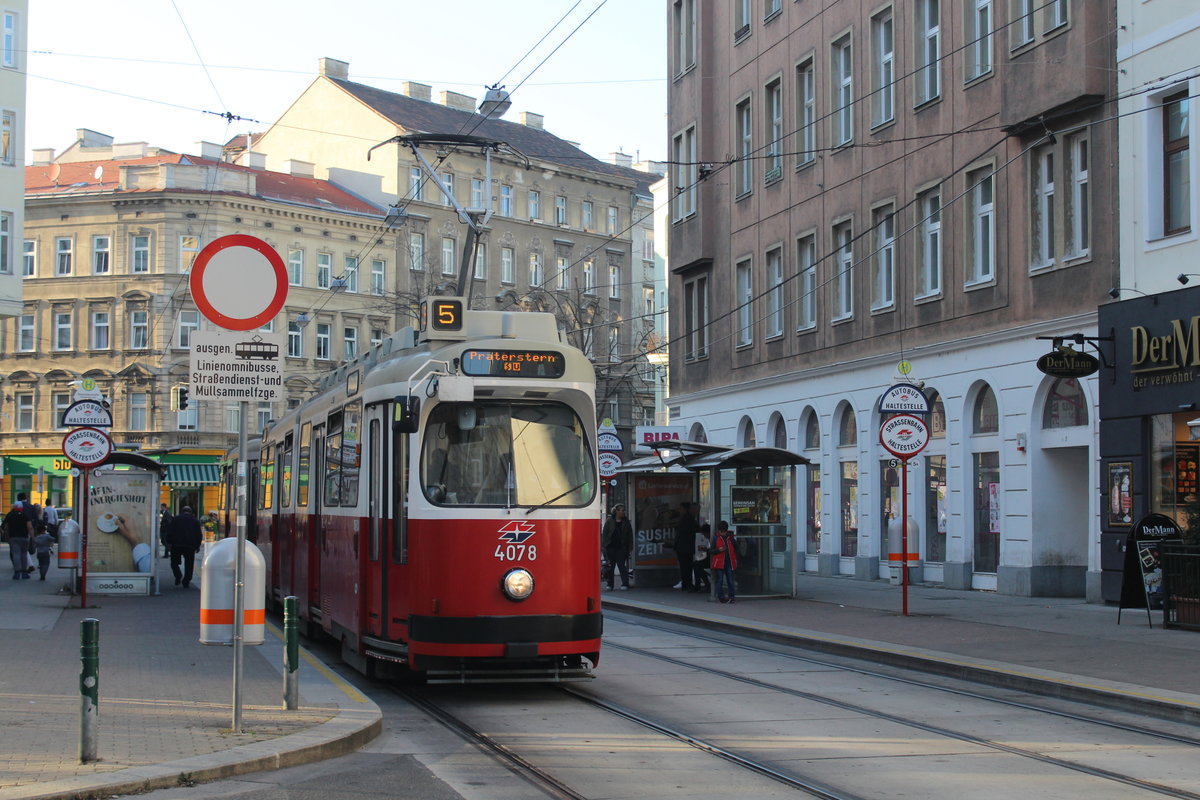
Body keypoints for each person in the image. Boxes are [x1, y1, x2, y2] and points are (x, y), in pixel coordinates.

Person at [168, 506, 204, 587]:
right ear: (190, 512)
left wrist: (169, 542)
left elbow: (170, 531)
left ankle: (178, 575)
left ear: (181, 511)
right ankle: (186, 581)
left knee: (174, 563)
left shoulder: (175, 519)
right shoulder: (195, 521)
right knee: (189, 564)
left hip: (176, 544)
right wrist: (198, 546)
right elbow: (199, 535)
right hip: (190, 545)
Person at [601, 504, 634, 591]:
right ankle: (610, 584)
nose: (623, 512)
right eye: (621, 510)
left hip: (621, 547)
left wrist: (630, 546)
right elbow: (605, 533)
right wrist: (604, 545)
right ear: (616, 511)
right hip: (610, 547)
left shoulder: (625, 521)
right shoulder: (609, 521)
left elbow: (630, 535)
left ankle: (625, 583)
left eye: (623, 510)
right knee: (610, 566)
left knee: (622, 566)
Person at [673, 502, 698, 592]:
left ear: (685, 509)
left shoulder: (686, 519)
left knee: (685, 566)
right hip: (686, 546)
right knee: (686, 566)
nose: (679, 510)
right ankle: (686, 583)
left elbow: (683, 532)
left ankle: (686, 583)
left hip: (684, 546)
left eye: (680, 508)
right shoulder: (689, 518)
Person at [711, 520, 738, 603]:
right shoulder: (716, 538)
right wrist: (719, 550)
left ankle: (731, 596)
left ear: (726, 530)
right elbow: (711, 551)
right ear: (719, 530)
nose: (722, 533)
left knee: (730, 580)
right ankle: (721, 597)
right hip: (719, 562)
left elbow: (736, 548)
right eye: (721, 531)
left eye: (724, 531)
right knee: (720, 580)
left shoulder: (731, 538)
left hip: (729, 561)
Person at [4, 502, 33, 579]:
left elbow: (6, 527)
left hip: (13, 538)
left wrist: (6, 537)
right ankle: (24, 573)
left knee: (16, 554)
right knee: (24, 554)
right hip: (24, 537)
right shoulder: (25, 515)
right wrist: (32, 537)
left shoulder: (9, 515)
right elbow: (29, 527)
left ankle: (17, 572)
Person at [692, 522, 712, 593]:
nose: (703, 535)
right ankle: (703, 584)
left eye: (704, 534)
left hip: (715, 559)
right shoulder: (711, 538)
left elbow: (714, 550)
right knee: (696, 564)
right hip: (712, 558)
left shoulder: (713, 538)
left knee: (697, 565)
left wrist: (706, 549)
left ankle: (703, 584)